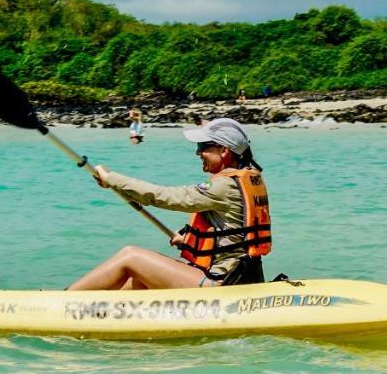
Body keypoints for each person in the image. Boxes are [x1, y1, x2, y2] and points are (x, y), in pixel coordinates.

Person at [67, 118, 271, 290]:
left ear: (224, 150)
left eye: (202, 147)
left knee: (131, 256)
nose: (197, 153)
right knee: (136, 282)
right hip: (242, 277)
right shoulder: (249, 178)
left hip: (222, 284)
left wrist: (111, 178)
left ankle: (61, 302)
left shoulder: (223, 185)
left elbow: (163, 196)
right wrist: (188, 240)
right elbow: (235, 232)